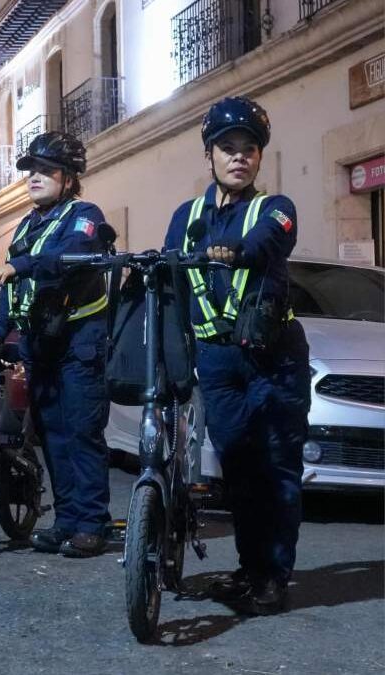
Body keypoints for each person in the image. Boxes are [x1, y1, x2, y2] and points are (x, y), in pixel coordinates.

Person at [163, 96, 310, 615]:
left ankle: (273, 577)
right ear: (210, 154)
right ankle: (250, 569)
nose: (239, 157)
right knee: (241, 473)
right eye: (228, 147)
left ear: (259, 158)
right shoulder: (187, 217)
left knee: (277, 469)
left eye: (249, 149)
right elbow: (170, 280)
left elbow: (272, 239)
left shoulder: (274, 208)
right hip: (219, 361)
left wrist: (238, 251)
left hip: (275, 357)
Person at [0, 131, 112, 558]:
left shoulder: (85, 216)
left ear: (70, 177)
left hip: (79, 340)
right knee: (53, 435)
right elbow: (11, 287)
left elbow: (71, 255)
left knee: (82, 432)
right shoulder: (28, 224)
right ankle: (66, 520)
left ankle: (92, 524)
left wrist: (20, 265)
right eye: (31, 172)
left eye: (45, 171)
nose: (34, 178)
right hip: (41, 343)